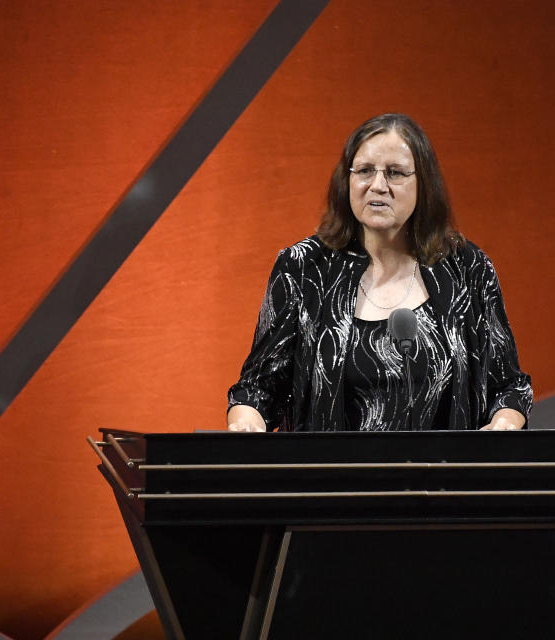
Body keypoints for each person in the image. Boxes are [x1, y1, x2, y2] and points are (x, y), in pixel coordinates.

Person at [227, 113, 531, 432]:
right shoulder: (302, 269)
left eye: (395, 173)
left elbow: (509, 388)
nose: (378, 186)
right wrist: (246, 424)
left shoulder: (467, 268)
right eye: (365, 171)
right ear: (347, 179)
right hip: (329, 479)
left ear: (423, 184)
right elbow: (257, 390)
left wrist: (503, 426)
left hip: (441, 478)